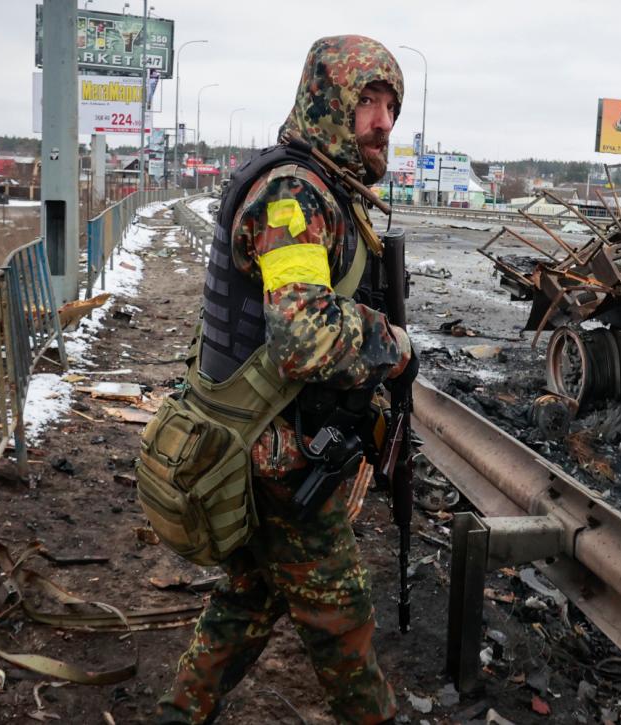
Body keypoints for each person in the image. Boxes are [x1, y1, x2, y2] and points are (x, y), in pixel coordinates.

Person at [156, 35, 413, 725]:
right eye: (366, 101)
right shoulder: (294, 194)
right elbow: (304, 337)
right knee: (343, 627)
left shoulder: (324, 188)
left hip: (263, 442)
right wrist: (395, 344)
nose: (383, 120)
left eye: (391, 104)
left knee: (250, 596)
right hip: (272, 454)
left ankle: (180, 709)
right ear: (327, 100)